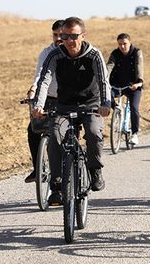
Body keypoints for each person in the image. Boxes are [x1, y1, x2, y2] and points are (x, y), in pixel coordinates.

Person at [32, 17, 111, 205]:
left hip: (91, 104)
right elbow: (44, 80)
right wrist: (38, 104)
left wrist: (106, 103)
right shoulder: (55, 55)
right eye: (65, 36)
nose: (69, 41)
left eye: (73, 36)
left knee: (93, 133)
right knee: (55, 135)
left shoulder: (94, 55)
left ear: (83, 36)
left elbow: (103, 81)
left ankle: (94, 170)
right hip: (64, 105)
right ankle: (57, 184)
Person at [24, 20, 66, 183]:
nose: (58, 38)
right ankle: (38, 169)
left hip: (66, 100)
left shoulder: (69, 52)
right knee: (33, 130)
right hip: (48, 98)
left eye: (61, 35)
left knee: (66, 134)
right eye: (55, 35)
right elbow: (40, 75)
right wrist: (33, 89)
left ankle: (69, 168)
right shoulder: (46, 53)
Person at [106, 33, 144, 145]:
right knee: (107, 95)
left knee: (134, 107)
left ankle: (135, 133)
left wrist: (139, 82)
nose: (122, 46)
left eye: (125, 44)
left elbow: (139, 67)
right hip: (117, 85)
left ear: (130, 43)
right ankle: (116, 109)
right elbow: (109, 66)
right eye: (120, 44)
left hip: (133, 85)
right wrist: (105, 79)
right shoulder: (115, 53)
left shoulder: (137, 52)